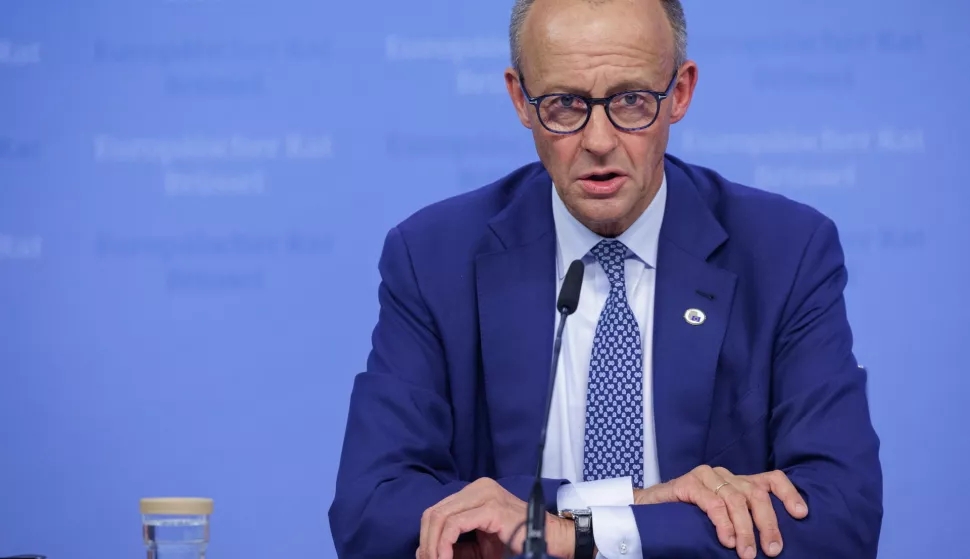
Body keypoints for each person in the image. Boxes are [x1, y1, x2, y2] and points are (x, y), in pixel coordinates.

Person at [329, 0, 883, 557]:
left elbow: (841, 516)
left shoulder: (785, 251)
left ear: (681, 93)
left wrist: (577, 534)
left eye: (631, 101)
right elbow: (372, 512)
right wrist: (636, 501)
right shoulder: (433, 256)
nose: (598, 140)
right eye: (565, 104)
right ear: (521, 99)